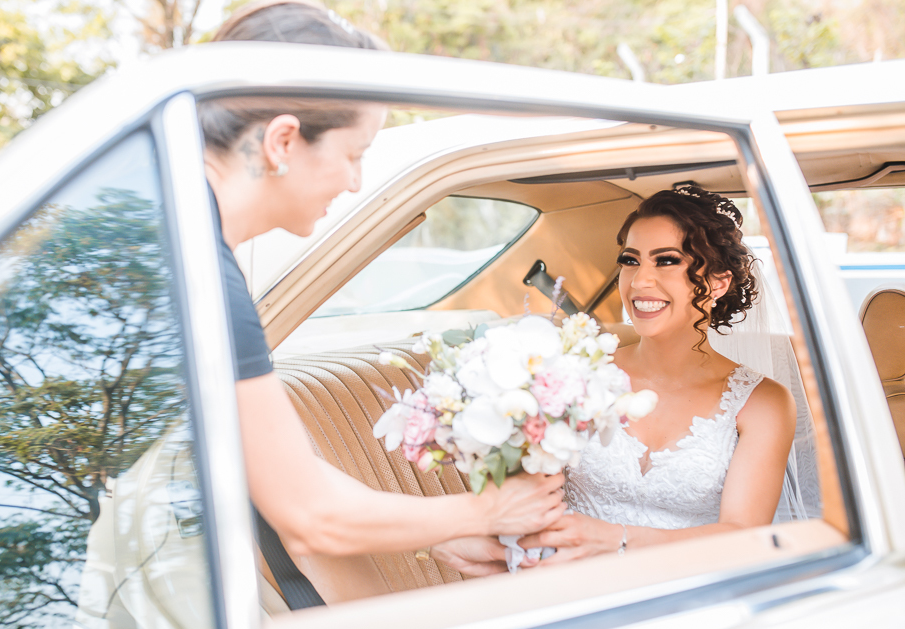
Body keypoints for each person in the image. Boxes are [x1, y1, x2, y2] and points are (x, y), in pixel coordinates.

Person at [201, 0, 566, 564]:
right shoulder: (204, 283)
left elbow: (289, 477)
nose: (355, 182)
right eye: (354, 154)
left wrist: (439, 530)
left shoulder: (182, 243)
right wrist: (488, 511)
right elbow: (312, 517)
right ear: (282, 142)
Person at [515, 185, 799, 563]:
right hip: (566, 581)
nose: (639, 281)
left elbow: (743, 535)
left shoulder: (764, 404)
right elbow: (528, 495)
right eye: (630, 261)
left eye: (666, 261)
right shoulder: (579, 371)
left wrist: (617, 539)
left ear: (718, 282)